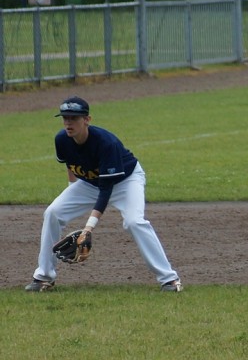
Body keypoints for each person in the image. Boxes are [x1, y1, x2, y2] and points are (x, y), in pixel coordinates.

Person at [25, 96, 182, 293]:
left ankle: (170, 279)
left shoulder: (106, 143)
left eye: (74, 118)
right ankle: (44, 277)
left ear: (87, 120)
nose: (68, 123)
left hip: (125, 182)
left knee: (134, 222)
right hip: (88, 183)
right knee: (53, 212)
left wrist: (88, 228)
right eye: (65, 118)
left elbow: (106, 190)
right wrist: (71, 190)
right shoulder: (62, 139)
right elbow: (71, 165)